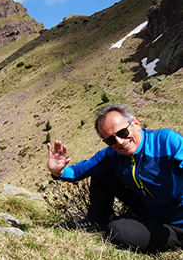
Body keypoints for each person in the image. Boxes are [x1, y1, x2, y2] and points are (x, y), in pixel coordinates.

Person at [47, 104, 183, 253]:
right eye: (110, 140)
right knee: (102, 175)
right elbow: (79, 171)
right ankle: (96, 221)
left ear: (136, 123)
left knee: (117, 232)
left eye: (123, 132)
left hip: (176, 223)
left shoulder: (166, 141)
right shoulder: (112, 155)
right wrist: (58, 171)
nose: (119, 141)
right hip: (149, 211)